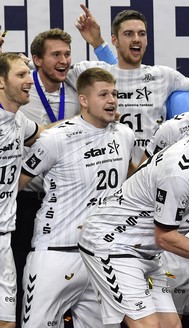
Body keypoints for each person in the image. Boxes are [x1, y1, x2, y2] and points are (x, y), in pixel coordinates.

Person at [77, 102, 189, 327]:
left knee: (172, 325)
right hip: (112, 245)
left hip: (145, 251)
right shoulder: (179, 173)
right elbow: (166, 237)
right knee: (149, 326)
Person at [18, 67, 134, 327]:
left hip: (101, 256)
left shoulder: (124, 135)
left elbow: (130, 184)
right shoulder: (55, 139)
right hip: (56, 253)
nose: (112, 100)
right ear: (83, 100)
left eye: (114, 94)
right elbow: (15, 185)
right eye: (103, 94)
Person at [12, 29, 83, 324]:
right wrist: (74, 124)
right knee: (19, 278)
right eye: (56, 55)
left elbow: (122, 69)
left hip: (68, 204)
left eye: (67, 54)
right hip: (27, 200)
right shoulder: (21, 92)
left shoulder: (79, 86)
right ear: (37, 60)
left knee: (69, 281)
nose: (64, 60)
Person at [72, 6, 189, 165]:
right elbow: (46, 70)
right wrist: (97, 42)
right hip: (108, 169)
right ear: (114, 40)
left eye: (142, 34)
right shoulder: (94, 72)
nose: (137, 38)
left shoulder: (165, 75)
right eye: (128, 34)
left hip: (151, 172)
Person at [0, 53, 43, 328]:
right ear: (1, 82)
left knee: (7, 322)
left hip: (4, 237)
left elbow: (43, 133)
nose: (30, 80)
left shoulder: (19, 121)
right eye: (21, 74)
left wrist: (85, 125)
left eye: (28, 73)